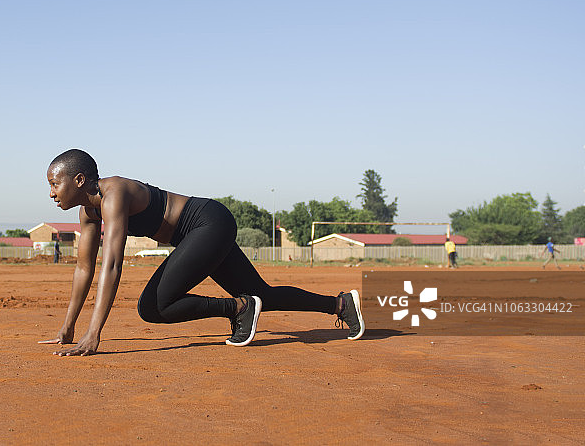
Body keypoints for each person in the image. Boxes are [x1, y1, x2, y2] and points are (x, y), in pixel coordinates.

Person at [38, 149, 364, 356]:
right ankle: (340, 305)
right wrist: (68, 328)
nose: (52, 193)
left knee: (153, 306)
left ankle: (238, 309)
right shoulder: (88, 213)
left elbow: (110, 265)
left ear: (79, 180)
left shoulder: (114, 194)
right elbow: (84, 269)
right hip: (197, 235)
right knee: (261, 293)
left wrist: (93, 333)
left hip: (208, 222)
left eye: (55, 184)